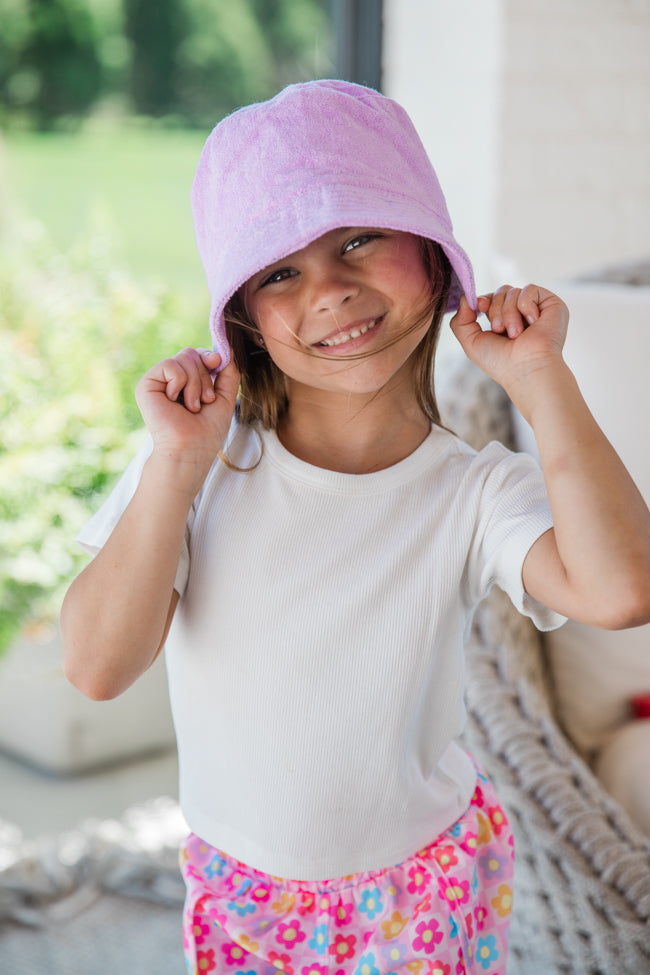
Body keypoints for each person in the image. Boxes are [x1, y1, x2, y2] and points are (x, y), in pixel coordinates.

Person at [61, 80, 650, 975]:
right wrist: (175, 469)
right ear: (243, 317)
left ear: (431, 252)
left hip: (428, 890)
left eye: (359, 238)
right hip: (248, 899)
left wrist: (538, 377)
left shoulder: (474, 489)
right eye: (281, 271)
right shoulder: (193, 468)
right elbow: (97, 667)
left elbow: (621, 590)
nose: (331, 289)